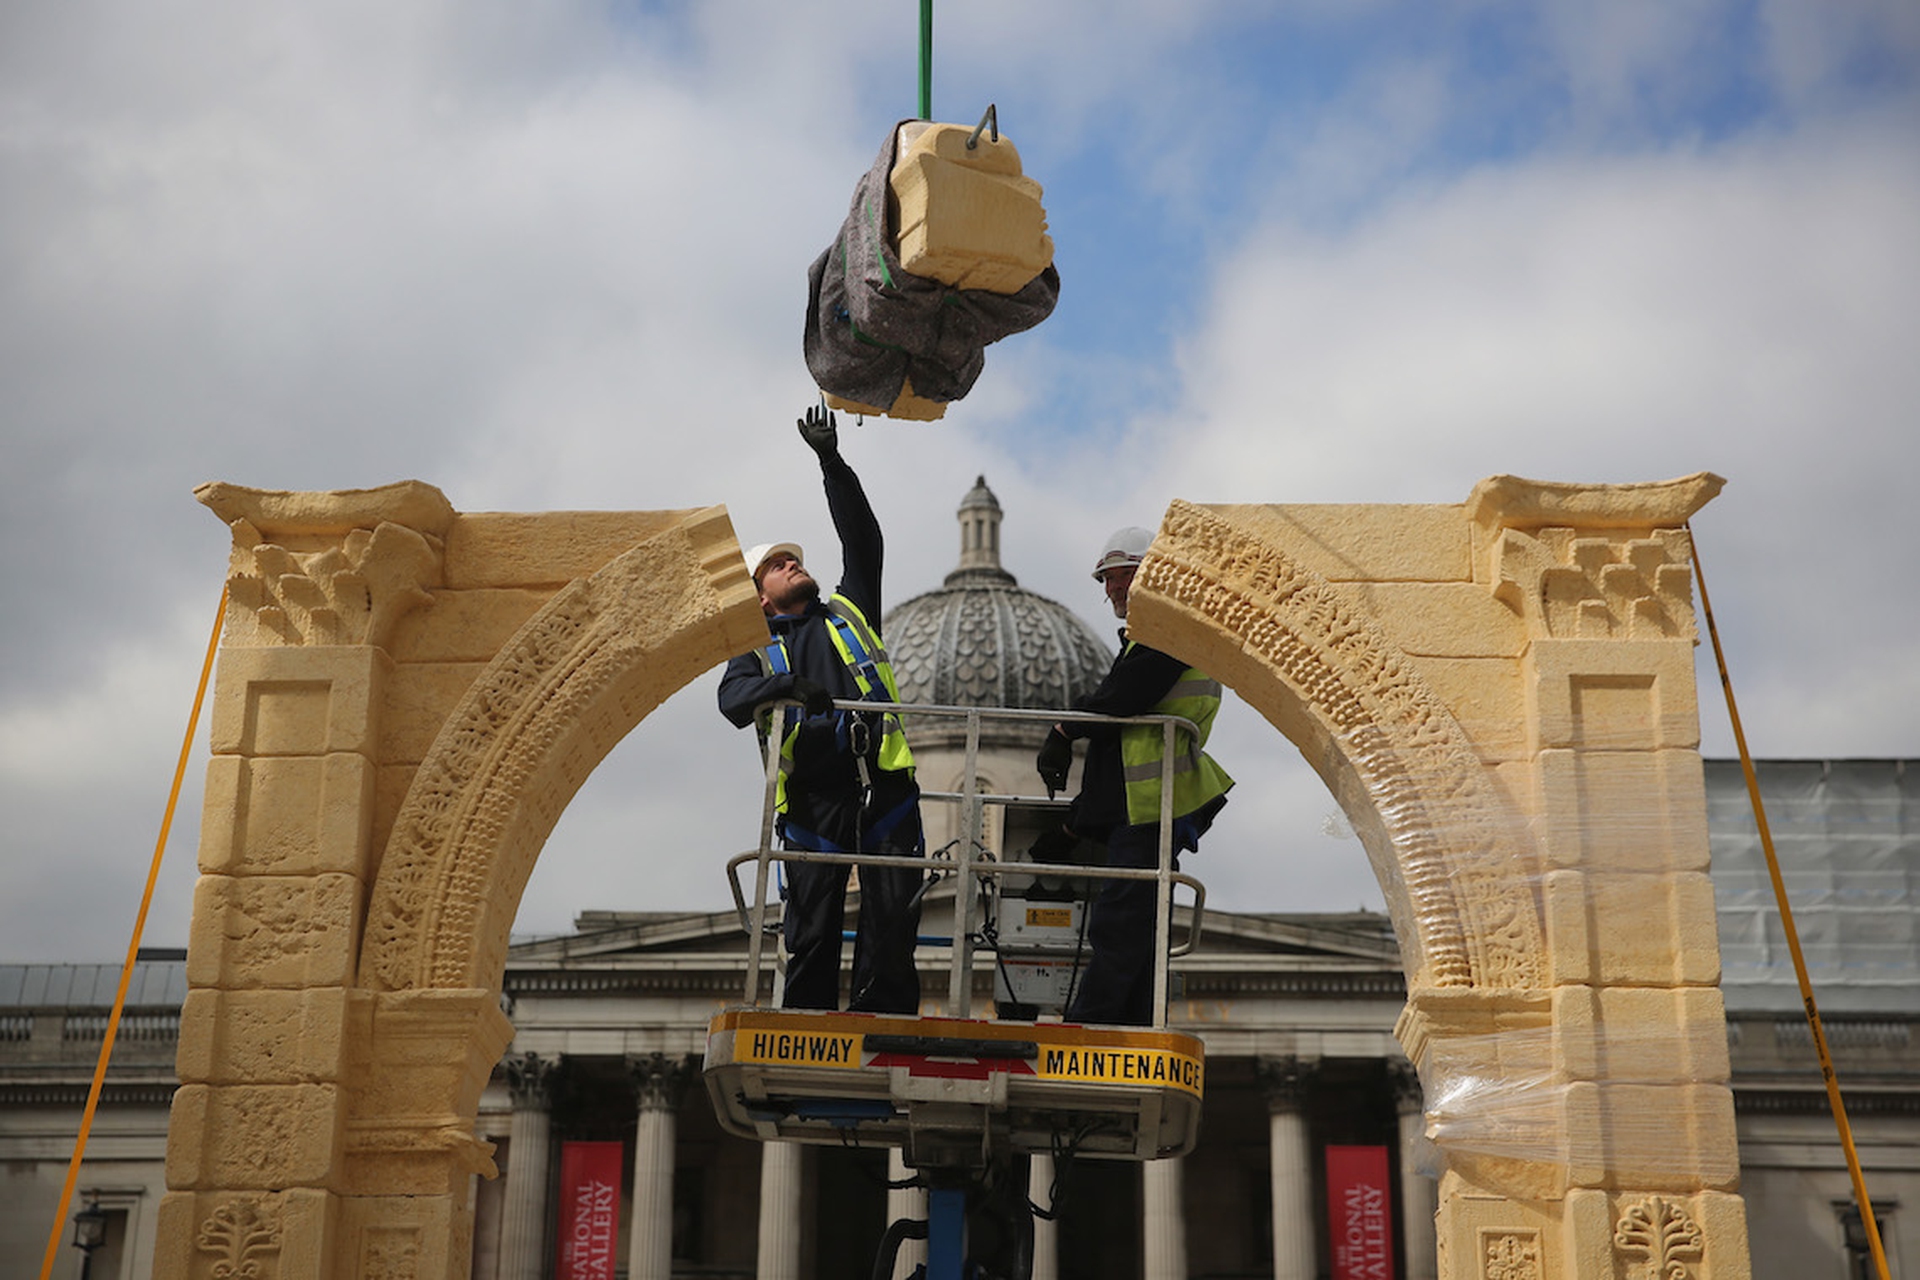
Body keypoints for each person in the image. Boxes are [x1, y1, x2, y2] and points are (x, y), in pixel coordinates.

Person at [717, 405, 924, 1014]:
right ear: (759, 596)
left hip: (884, 787)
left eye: (794, 558)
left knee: (891, 922)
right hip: (812, 800)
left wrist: (831, 462)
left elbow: (863, 539)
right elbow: (731, 702)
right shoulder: (753, 650)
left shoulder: (850, 610)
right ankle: (808, 1023)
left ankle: (881, 1020)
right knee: (810, 933)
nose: (793, 563)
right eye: (778, 566)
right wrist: (787, 688)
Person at [1031, 526, 1234, 1026]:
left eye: (1123, 577)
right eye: (1107, 580)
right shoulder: (1148, 640)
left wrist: (1065, 726)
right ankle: (1134, 1022)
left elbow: (1122, 703)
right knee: (1139, 926)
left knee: (1121, 923)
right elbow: (1115, 750)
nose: (1112, 590)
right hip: (1143, 803)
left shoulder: (1171, 631)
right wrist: (1072, 828)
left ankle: (1091, 1024)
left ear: (1154, 577)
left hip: (1151, 805)